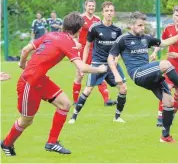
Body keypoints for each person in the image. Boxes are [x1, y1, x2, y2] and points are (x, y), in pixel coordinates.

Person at [1, 11, 107, 156]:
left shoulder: (51, 35)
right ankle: (6, 143)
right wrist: (100, 68)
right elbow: (82, 67)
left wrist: (22, 63)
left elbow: (26, 49)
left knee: (65, 104)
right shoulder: (68, 41)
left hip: (39, 80)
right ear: (77, 29)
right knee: (26, 120)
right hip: (29, 84)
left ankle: (52, 142)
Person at [108, 11, 178, 143]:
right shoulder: (123, 39)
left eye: (143, 25)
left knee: (169, 102)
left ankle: (165, 136)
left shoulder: (146, 38)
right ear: (131, 25)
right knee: (166, 64)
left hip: (149, 74)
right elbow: (110, 57)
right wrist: (116, 75)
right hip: (138, 74)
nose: (143, 28)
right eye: (140, 25)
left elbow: (165, 42)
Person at [69, 1, 127, 124]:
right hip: (97, 63)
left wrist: (116, 60)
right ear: (103, 13)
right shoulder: (95, 28)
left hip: (112, 64)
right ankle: (74, 116)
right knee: (88, 90)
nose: (109, 13)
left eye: (111, 10)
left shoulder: (117, 30)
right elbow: (87, 46)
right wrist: (83, 64)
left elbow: (120, 48)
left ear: (114, 12)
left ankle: (117, 117)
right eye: (107, 11)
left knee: (123, 88)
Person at [72, 0, 116, 107]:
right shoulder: (80, 19)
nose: (91, 8)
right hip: (82, 50)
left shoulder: (98, 19)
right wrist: (76, 42)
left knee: (100, 73)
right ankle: (76, 101)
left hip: (95, 50)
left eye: (93, 6)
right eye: (89, 6)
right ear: (85, 6)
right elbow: (73, 35)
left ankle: (106, 100)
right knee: (79, 74)